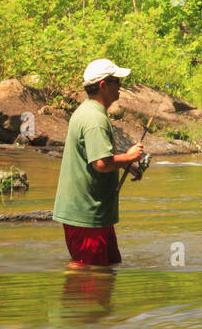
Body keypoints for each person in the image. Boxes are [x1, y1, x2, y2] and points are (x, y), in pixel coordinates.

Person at [52, 58, 145, 268]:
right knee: (87, 269)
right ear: (103, 85)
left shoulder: (90, 111)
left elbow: (97, 155)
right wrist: (129, 157)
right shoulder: (94, 119)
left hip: (93, 212)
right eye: (116, 81)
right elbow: (101, 164)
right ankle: (75, 299)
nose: (120, 86)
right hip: (86, 213)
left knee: (109, 265)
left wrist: (126, 164)